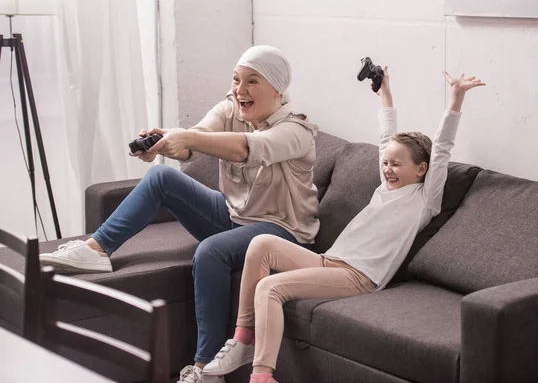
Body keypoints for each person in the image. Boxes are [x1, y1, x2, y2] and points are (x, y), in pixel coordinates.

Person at [39, 45, 321, 383]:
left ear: (277, 88)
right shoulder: (232, 109)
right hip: (234, 215)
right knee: (162, 177)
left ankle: (204, 371)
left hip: (282, 233)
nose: (239, 90)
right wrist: (165, 141)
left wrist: (184, 138)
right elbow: (197, 139)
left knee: (210, 252)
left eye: (252, 82)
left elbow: (245, 148)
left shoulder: (297, 131)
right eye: (236, 80)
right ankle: (96, 250)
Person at [201, 68, 486, 383]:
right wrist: (385, 93)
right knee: (261, 244)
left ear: (421, 169)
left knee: (271, 287)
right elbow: (386, 134)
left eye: (396, 165)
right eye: (386, 163)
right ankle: (243, 340)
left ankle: (262, 375)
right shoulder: (384, 187)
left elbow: (442, 149)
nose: (388, 170)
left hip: (359, 276)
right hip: (329, 261)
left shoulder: (424, 199)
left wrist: (456, 98)